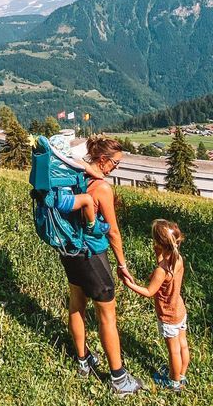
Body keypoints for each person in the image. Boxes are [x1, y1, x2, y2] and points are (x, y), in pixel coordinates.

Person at [58, 135, 145, 397]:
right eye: (115, 163)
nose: (116, 168)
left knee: (76, 303)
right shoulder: (102, 188)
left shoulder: (75, 176)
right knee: (107, 315)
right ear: (103, 160)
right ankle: (119, 379)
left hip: (71, 250)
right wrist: (122, 264)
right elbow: (114, 232)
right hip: (93, 257)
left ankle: (83, 361)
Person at [122, 219, 189, 392]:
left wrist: (129, 284)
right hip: (180, 310)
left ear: (159, 242)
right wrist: (159, 254)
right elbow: (164, 265)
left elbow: (149, 292)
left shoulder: (161, 271)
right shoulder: (178, 259)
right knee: (183, 344)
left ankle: (174, 383)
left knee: (173, 350)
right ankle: (181, 374)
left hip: (168, 315)